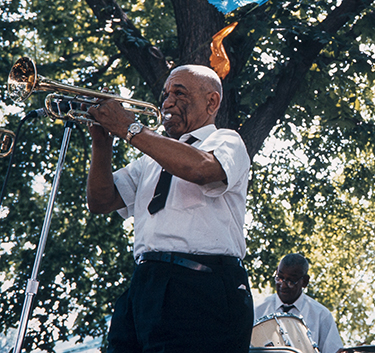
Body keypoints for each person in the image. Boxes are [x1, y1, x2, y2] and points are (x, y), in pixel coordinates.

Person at [86, 64, 253, 353]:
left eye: (179, 93)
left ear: (211, 102)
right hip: (145, 284)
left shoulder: (227, 140)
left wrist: (128, 127)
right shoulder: (151, 160)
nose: (167, 103)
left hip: (202, 285)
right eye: (165, 94)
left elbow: (201, 169)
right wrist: (102, 144)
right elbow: (100, 201)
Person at [255, 253, 344, 353]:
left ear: (305, 282)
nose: (283, 285)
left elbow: (333, 350)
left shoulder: (321, 315)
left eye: (291, 281)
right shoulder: (257, 310)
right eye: (279, 278)